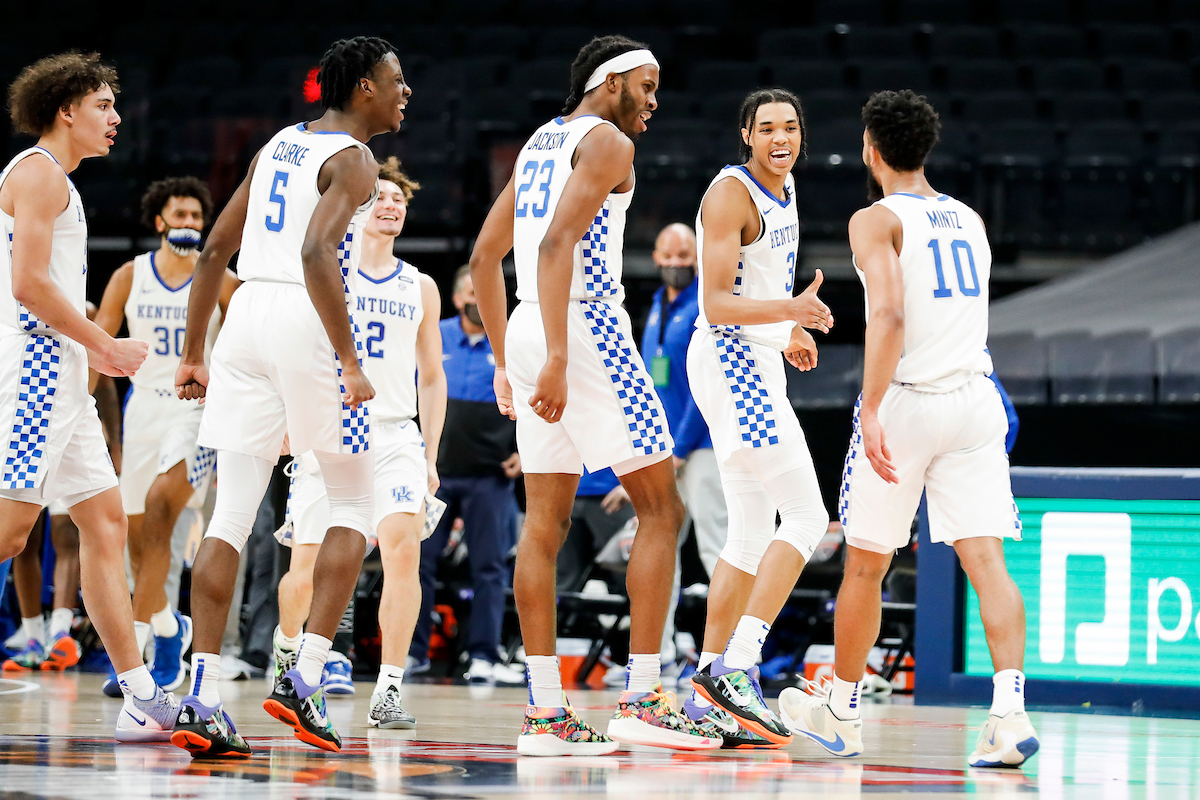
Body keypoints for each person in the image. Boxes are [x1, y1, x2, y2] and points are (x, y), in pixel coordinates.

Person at [470, 34, 721, 756]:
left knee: (542, 524)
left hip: (526, 324)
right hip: (584, 327)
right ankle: (643, 697)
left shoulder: (540, 143)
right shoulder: (607, 141)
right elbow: (554, 248)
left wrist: (504, 356)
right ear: (610, 82)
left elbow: (487, 258)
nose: (654, 99)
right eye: (647, 84)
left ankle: (546, 714)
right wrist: (554, 353)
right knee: (662, 507)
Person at [778, 90, 1039, 769]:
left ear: (871, 148)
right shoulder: (972, 219)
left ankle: (841, 712)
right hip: (975, 397)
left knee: (865, 563)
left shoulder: (874, 219)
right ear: (925, 148)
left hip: (911, 400)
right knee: (988, 564)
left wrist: (867, 406)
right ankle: (1009, 717)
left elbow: (889, 316)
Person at [169, 36, 409, 758]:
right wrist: (349, 357)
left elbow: (213, 250)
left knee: (230, 515)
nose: (406, 94)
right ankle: (303, 680)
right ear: (364, 87)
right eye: (397, 82)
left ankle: (203, 696)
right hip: (305, 320)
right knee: (353, 503)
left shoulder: (279, 144)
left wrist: (193, 353)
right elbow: (316, 253)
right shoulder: (356, 160)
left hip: (243, 321)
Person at [0, 52, 177, 741]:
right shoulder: (38, 173)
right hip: (37, 372)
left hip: (63, 374)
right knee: (14, 534)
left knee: (103, 525)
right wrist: (104, 343)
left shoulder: (54, 180)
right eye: (102, 106)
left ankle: (138, 694)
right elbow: (29, 286)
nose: (115, 118)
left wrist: (90, 351)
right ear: (65, 109)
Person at [677, 89, 833, 749]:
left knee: (747, 534)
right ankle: (737, 667)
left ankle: (708, 692)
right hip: (729, 359)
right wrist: (788, 317)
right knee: (807, 517)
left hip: (753, 354)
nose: (780, 137)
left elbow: (757, 287)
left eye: (790, 127)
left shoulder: (788, 185)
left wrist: (783, 333)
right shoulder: (729, 195)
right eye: (767, 127)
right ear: (746, 134)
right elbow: (715, 303)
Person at [274, 156, 446, 730]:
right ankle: (289, 651)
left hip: (396, 431)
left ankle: (389, 690)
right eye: (381, 197)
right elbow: (293, 356)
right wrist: (286, 422)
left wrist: (430, 456)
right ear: (356, 208)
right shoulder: (329, 272)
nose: (392, 205)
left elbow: (433, 376)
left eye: (400, 199)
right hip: (329, 429)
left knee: (403, 553)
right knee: (306, 567)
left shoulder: (420, 285)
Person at [92, 177, 239, 695]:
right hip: (143, 410)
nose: (189, 225)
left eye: (197, 217)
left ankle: (131, 654)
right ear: (159, 222)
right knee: (136, 541)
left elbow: (252, 344)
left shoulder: (221, 278)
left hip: (198, 412)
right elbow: (99, 349)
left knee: (160, 511)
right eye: (179, 216)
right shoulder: (130, 277)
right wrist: (83, 411)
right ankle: (169, 630)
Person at [409, 265, 524, 685]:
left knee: (489, 567)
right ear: (457, 298)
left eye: (486, 292)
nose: (478, 300)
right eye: (470, 292)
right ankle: (412, 652)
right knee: (417, 562)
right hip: (434, 472)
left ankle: (484, 656)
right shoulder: (432, 331)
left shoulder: (513, 338)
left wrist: (523, 452)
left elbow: (534, 397)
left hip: (490, 476)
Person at [4, 304, 122, 672]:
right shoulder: (18, 312)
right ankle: (33, 634)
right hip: (28, 417)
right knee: (21, 540)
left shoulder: (85, 313)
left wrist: (116, 445)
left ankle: (59, 631)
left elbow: (105, 385)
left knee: (66, 535)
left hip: (72, 432)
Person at [642, 223, 727, 580]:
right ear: (656, 258)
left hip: (700, 447)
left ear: (697, 258)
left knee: (717, 546)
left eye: (684, 255)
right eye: (669, 255)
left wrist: (680, 447)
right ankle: (660, 639)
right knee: (660, 550)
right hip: (664, 448)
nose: (676, 262)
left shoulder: (705, 305)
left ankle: (735, 638)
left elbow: (706, 386)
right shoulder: (657, 305)